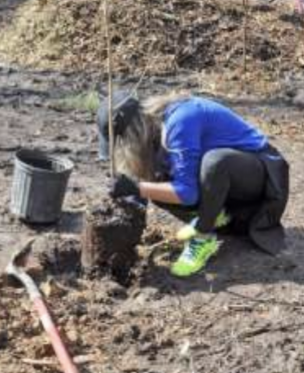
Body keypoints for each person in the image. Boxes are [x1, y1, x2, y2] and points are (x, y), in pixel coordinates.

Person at [102, 93, 289, 278]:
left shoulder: (180, 121)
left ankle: (203, 235)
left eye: (122, 143)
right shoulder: (156, 129)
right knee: (157, 184)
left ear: (133, 132)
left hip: (261, 177)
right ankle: (218, 216)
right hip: (227, 187)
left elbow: (187, 193)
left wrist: (138, 188)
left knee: (215, 162)